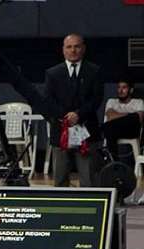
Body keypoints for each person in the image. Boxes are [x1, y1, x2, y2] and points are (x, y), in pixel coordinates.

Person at [44, 33, 104, 187]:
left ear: (83, 48)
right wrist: (66, 117)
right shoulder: (52, 73)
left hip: (87, 132)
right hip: (61, 132)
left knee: (89, 180)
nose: (73, 50)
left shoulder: (94, 71)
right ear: (63, 50)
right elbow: (49, 101)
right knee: (60, 180)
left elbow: (96, 99)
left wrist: (78, 115)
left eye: (77, 46)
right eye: (69, 47)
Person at [102, 78, 144, 158]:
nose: (120, 90)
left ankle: (113, 161)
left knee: (108, 126)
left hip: (130, 131)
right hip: (114, 130)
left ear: (131, 90)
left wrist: (117, 116)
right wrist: (130, 116)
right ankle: (114, 161)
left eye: (124, 87)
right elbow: (110, 116)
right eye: (119, 87)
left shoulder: (138, 102)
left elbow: (139, 118)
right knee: (110, 127)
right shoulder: (111, 101)